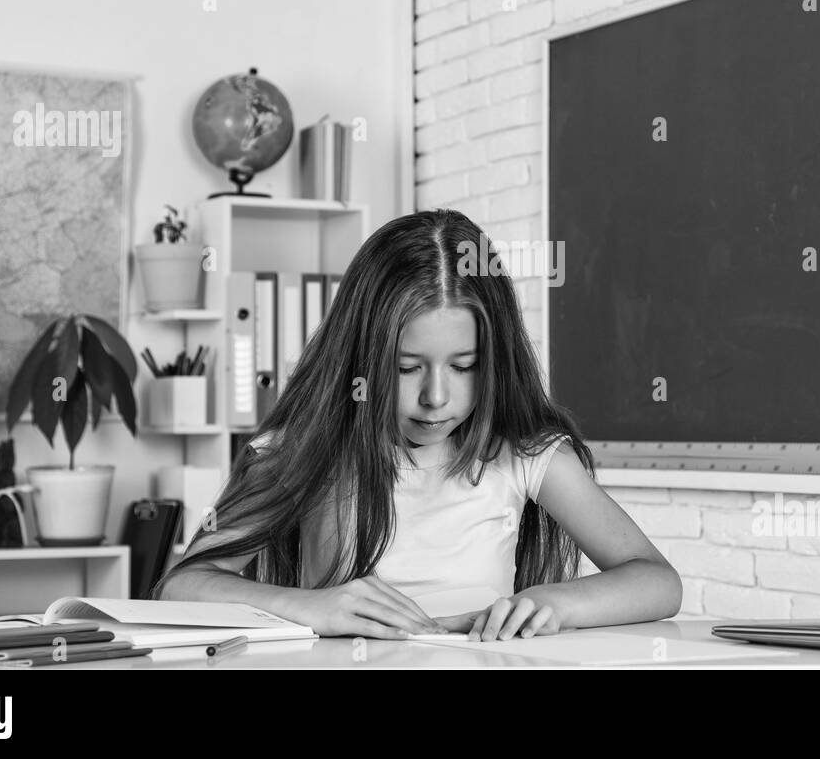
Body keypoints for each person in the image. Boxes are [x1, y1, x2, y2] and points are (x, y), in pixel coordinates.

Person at [155, 208, 682, 641]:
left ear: (495, 360)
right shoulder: (303, 451)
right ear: (359, 356)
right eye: (406, 368)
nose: (435, 397)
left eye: (464, 366)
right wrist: (310, 608)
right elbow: (183, 585)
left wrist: (553, 602)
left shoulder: (524, 455)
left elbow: (657, 581)